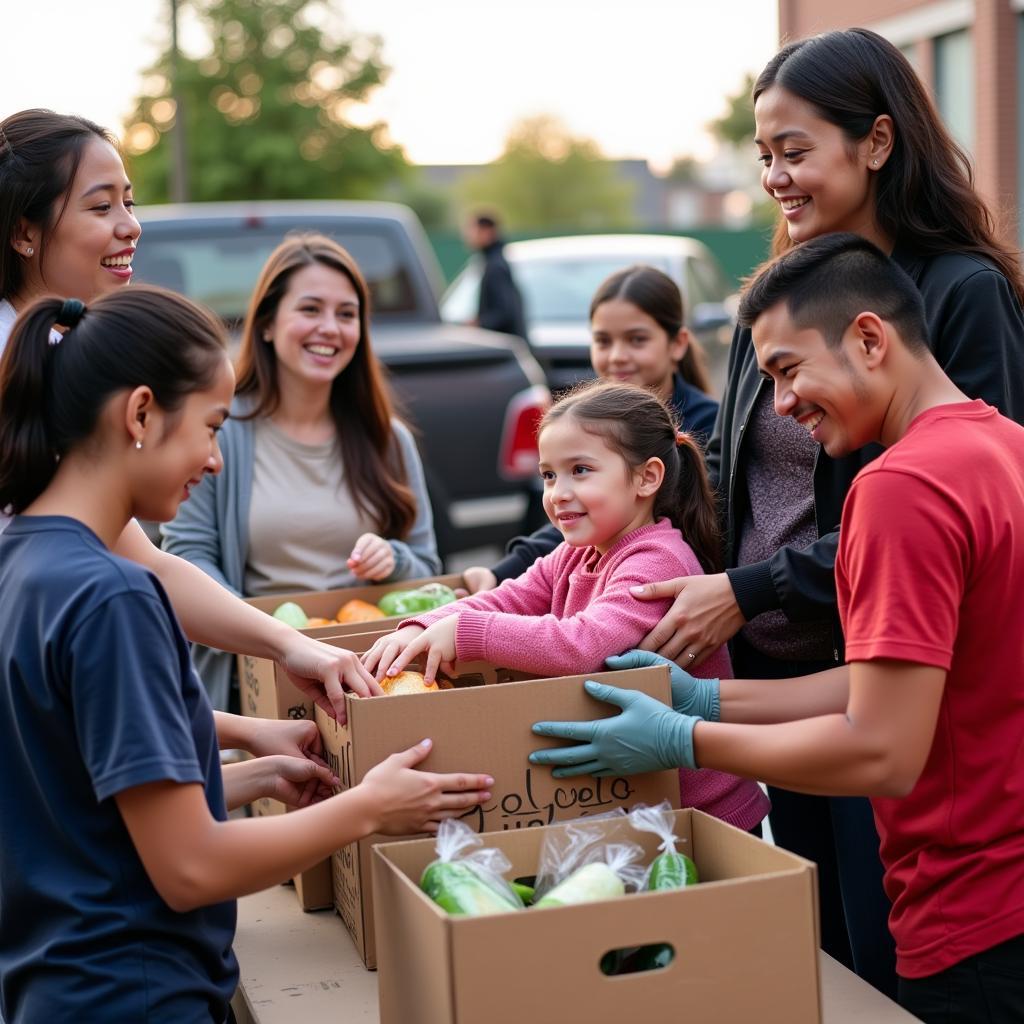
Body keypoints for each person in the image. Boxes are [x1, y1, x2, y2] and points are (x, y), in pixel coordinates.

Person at [530, 233, 1024, 1024]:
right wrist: (712, 703)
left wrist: (683, 744)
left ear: (869, 337)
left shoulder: (901, 488)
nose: (783, 407)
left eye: (788, 371)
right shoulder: (1000, 442)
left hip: (973, 908)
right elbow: (895, 680)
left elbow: (882, 749)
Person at [624, 28, 1024, 995]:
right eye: (762, 156)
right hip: (802, 678)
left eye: (794, 150)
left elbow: (887, 735)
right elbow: (736, 482)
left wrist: (694, 723)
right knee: (829, 964)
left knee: (883, 967)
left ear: (877, 143)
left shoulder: (937, 380)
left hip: (903, 708)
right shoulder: (784, 300)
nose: (775, 177)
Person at [0, 287, 493, 1023]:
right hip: (133, 992)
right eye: (209, 428)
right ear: (139, 414)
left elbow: (70, 791)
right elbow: (191, 868)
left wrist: (253, 769)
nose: (215, 460)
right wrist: (368, 808)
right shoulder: (115, 598)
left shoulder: (20, 561)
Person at [0, 106, 378, 720]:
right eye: (101, 208)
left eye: (130, 202)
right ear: (25, 232)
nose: (130, 227)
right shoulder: (98, 599)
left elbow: (148, 562)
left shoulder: (58, 357)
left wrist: (289, 650)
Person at [364, 380, 769, 833]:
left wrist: (467, 631)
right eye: (549, 475)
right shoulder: (580, 550)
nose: (557, 492)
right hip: (644, 806)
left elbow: (582, 645)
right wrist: (420, 626)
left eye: (580, 470)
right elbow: (510, 596)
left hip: (702, 813)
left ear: (646, 477)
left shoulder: (656, 559)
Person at [161, 233, 441, 711]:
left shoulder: (388, 439)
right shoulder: (220, 433)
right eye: (310, 309)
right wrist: (272, 634)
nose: (330, 328)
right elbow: (187, 559)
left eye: (346, 314)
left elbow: (429, 575)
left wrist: (393, 560)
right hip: (258, 675)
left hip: (372, 680)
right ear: (267, 324)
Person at [463, 264, 720, 594]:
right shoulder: (595, 421)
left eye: (637, 340)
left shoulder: (709, 425)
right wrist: (502, 573)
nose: (617, 357)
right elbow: (578, 514)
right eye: (603, 341)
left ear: (678, 344)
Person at [463, 210, 528, 339]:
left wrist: (479, 324)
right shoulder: (494, 261)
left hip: (505, 345)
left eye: (472, 230)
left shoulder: (495, 266)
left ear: (487, 231)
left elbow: (504, 312)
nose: (468, 236)